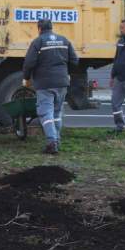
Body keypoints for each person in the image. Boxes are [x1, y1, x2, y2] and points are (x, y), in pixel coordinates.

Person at [23, 19, 79, 154]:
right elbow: (75, 60)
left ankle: (51, 141)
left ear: (39, 28)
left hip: (45, 83)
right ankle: (57, 140)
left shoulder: (38, 42)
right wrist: (66, 73)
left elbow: (29, 62)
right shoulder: (64, 40)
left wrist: (26, 77)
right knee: (57, 113)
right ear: (51, 27)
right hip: (62, 82)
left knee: (45, 113)